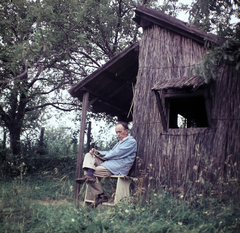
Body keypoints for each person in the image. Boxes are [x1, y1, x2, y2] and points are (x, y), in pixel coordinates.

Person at [76, 121, 137, 207]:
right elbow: (111, 152)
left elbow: (117, 153)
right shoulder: (119, 142)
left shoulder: (131, 142)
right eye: (116, 132)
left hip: (118, 166)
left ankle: (99, 194)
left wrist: (101, 155)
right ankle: (98, 191)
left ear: (126, 131)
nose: (118, 134)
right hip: (110, 163)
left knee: (90, 173)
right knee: (89, 155)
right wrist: (97, 152)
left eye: (120, 132)